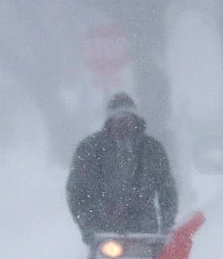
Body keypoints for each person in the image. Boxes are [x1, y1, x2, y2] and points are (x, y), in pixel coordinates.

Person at [67, 92, 178, 244]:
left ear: (135, 119)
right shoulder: (89, 149)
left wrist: (167, 225)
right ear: (109, 122)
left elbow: (167, 189)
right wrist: (87, 227)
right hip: (102, 232)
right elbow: (76, 192)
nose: (123, 123)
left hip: (145, 233)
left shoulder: (151, 148)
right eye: (117, 119)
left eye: (127, 118)